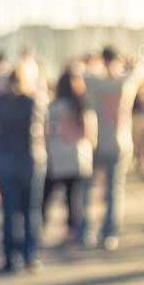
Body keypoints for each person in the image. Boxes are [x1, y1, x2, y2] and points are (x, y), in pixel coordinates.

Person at [83, 47, 144, 250]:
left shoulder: (94, 81)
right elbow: (143, 67)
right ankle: (109, 233)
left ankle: (85, 230)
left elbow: (79, 71)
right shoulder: (125, 83)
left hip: (95, 141)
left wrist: (93, 62)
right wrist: (127, 62)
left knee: (87, 189)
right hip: (121, 141)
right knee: (114, 190)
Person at [0, 63, 47, 273]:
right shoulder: (33, 101)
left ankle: (9, 258)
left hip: (6, 160)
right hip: (30, 160)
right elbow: (39, 129)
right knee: (31, 211)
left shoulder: (1, 101)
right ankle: (30, 255)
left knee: (8, 212)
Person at [43, 68, 96, 245]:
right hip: (78, 157)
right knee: (74, 198)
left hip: (57, 156)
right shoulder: (84, 106)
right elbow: (90, 135)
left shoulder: (54, 106)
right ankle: (74, 232)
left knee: (46, 195)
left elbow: (48, 132)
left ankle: (38, 228)